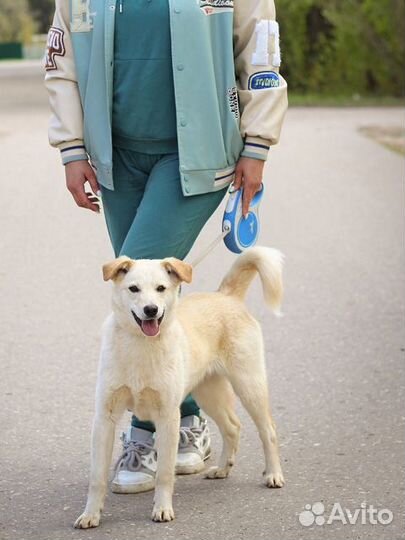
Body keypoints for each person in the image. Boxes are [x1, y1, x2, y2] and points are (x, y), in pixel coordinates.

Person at [44, 0, 288, 495]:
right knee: (146, 297)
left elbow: (260, 52)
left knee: (139, 284)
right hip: (115, 158)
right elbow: (62, 63)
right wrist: (71, 148)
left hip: (196, 157)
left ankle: (144, 432)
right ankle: (189, 421)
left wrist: (258, 142)